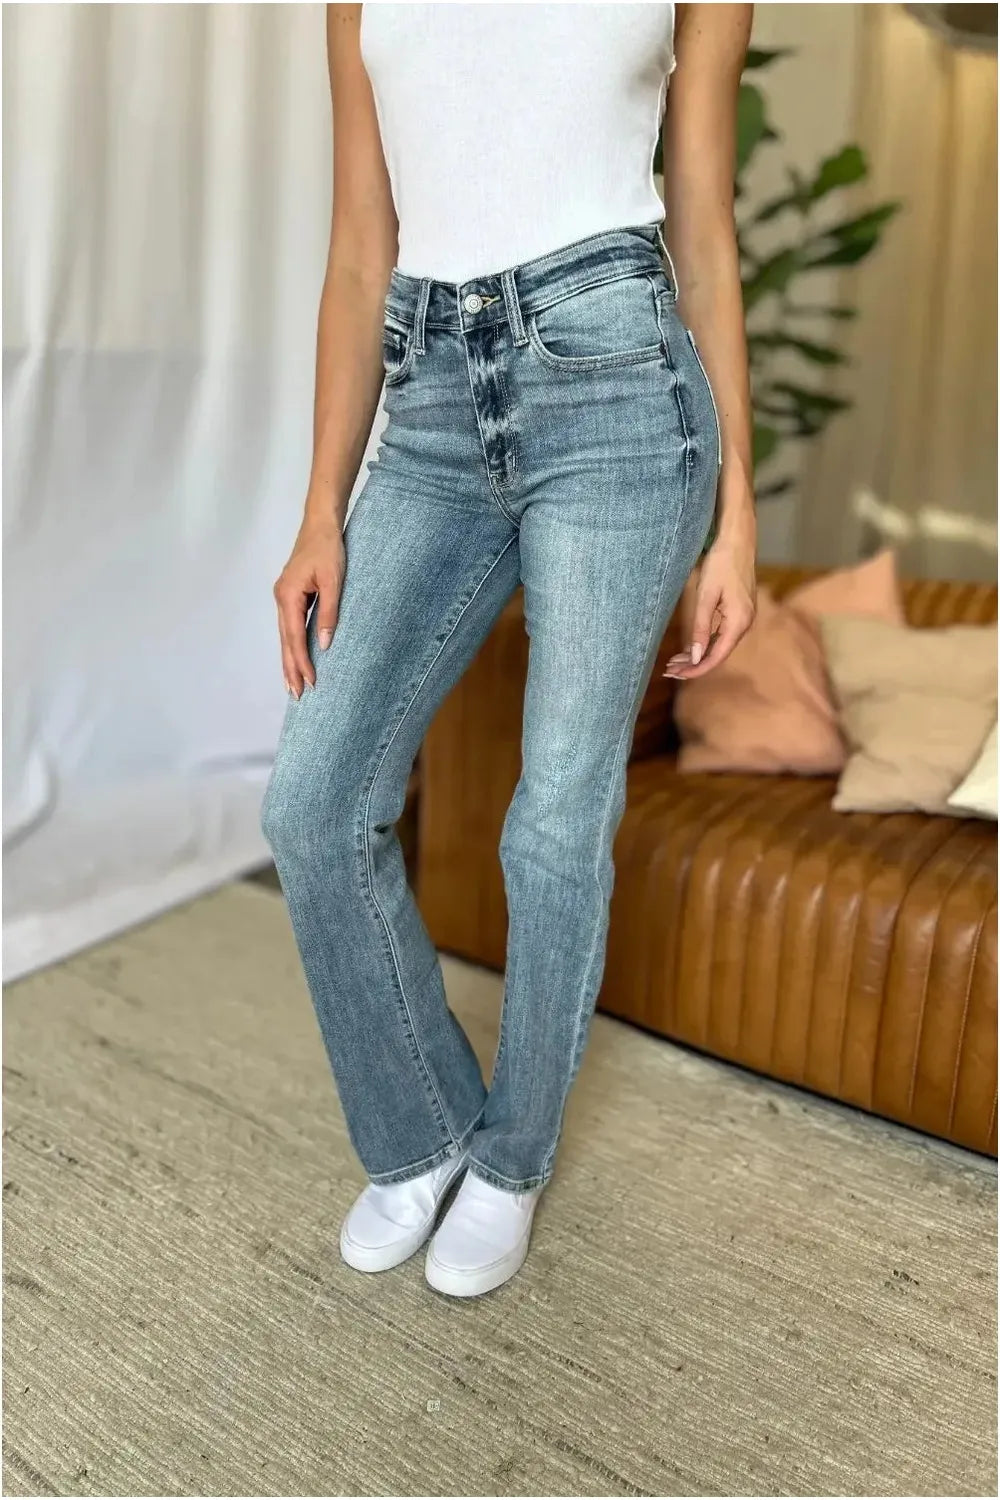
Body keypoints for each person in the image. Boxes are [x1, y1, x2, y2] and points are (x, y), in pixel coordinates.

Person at [260, 1, 757, 1299]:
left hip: (619, 389)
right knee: (314, 801)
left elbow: (704, 227)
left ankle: (513, 1157)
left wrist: (741, 516)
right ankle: (422, 1130)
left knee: (554, 823)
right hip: (428, 392)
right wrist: (320, 510)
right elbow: (360, 248)